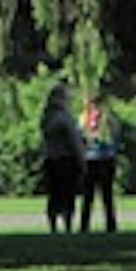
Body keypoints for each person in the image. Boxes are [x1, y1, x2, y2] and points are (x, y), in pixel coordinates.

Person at [38, 83, 84, 234]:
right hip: (66, 159)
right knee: (67, 193)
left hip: (50, 159)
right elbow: (74, 139)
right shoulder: (63, 117)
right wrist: (81, 158)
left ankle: (53, 224)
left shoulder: (46, 118)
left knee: (53, 194)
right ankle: (68, 223)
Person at [76, 92, 119, 233]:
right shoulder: (85, 118)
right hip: (92, 158)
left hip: (103, 158)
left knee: (106, 195)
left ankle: (110, 224)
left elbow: (115, 136)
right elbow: (80, 136)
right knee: (89, 195)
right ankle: (85, 224)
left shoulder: (107, 119)